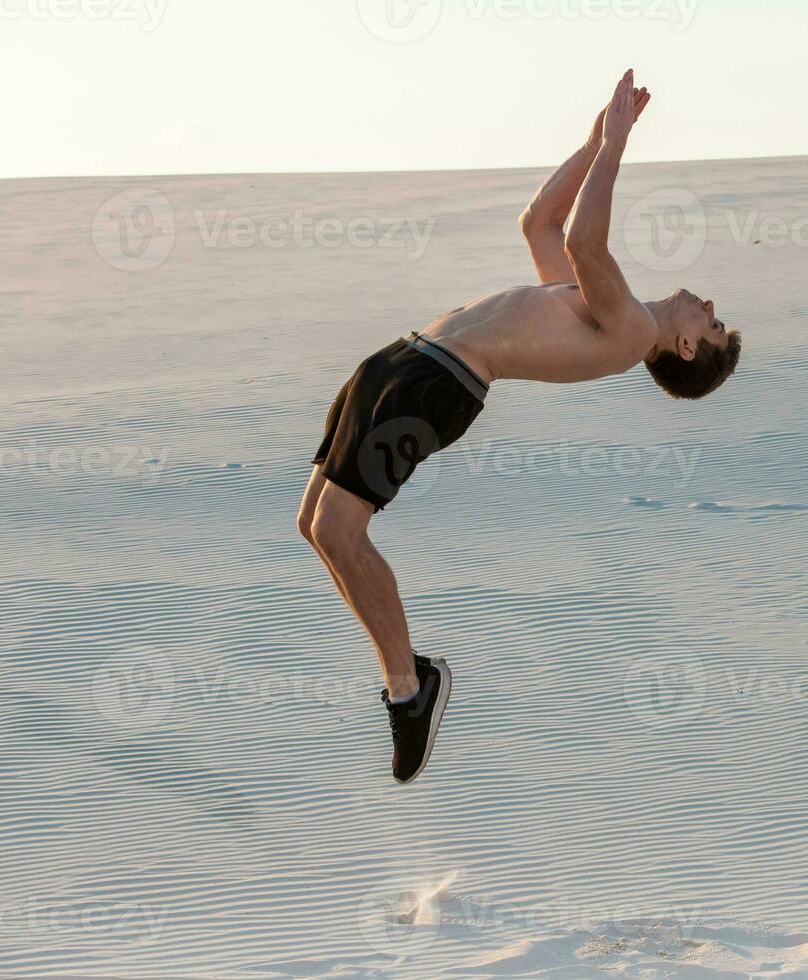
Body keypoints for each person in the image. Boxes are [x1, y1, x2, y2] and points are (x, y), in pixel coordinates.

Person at [295, 70, 742, 783]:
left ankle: (411, 692)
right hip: (399, 362)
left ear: (686, 348)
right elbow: (542, 225)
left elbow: (590, 244)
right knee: (316, 526)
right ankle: (407, 680)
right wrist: (593, 138)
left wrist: (617, 146)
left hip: (435, 384)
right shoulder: (607, 308)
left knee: (342, 532)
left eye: (710, 323)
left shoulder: (629, 329)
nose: (706, 303)